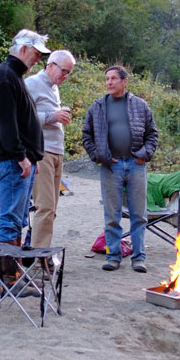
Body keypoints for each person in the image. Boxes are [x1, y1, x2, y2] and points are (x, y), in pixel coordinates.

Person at [0, 29, 48, 288]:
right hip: (12, 162)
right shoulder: (4, 78)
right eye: (36, 54)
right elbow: (6, 124)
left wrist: (32, 156)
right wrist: (21, 156)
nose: (38, 60)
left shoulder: (13, 77)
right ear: (23, 49)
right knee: (10, 219)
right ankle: (8, 280)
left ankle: (14, 273)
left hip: (20, 161)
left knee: (17, 219)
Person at [82, 66, 158, 273]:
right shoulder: (97, 107)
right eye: (107, 79)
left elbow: (152, 134)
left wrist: (143, 155)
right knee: (112, 215)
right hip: (110, 167)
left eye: (113, 78)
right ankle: (113, 256)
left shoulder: (140, 106)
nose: (109, 82)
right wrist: (100, 157)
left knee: (139, 214)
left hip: (136, 165)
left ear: (125, 82)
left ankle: (139, 257)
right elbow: (86, 135)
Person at [25, 49, 75, 249]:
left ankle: (40, 252)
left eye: (68, 73)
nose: (65, 76)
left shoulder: (54, 87)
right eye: (63, 71)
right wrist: (52, 117)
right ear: (51, 64)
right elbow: (22, 118)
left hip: (57, 151)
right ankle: (38, 259)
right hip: (41, 151)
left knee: (51, 209)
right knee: (44, 207)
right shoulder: (31, 84)